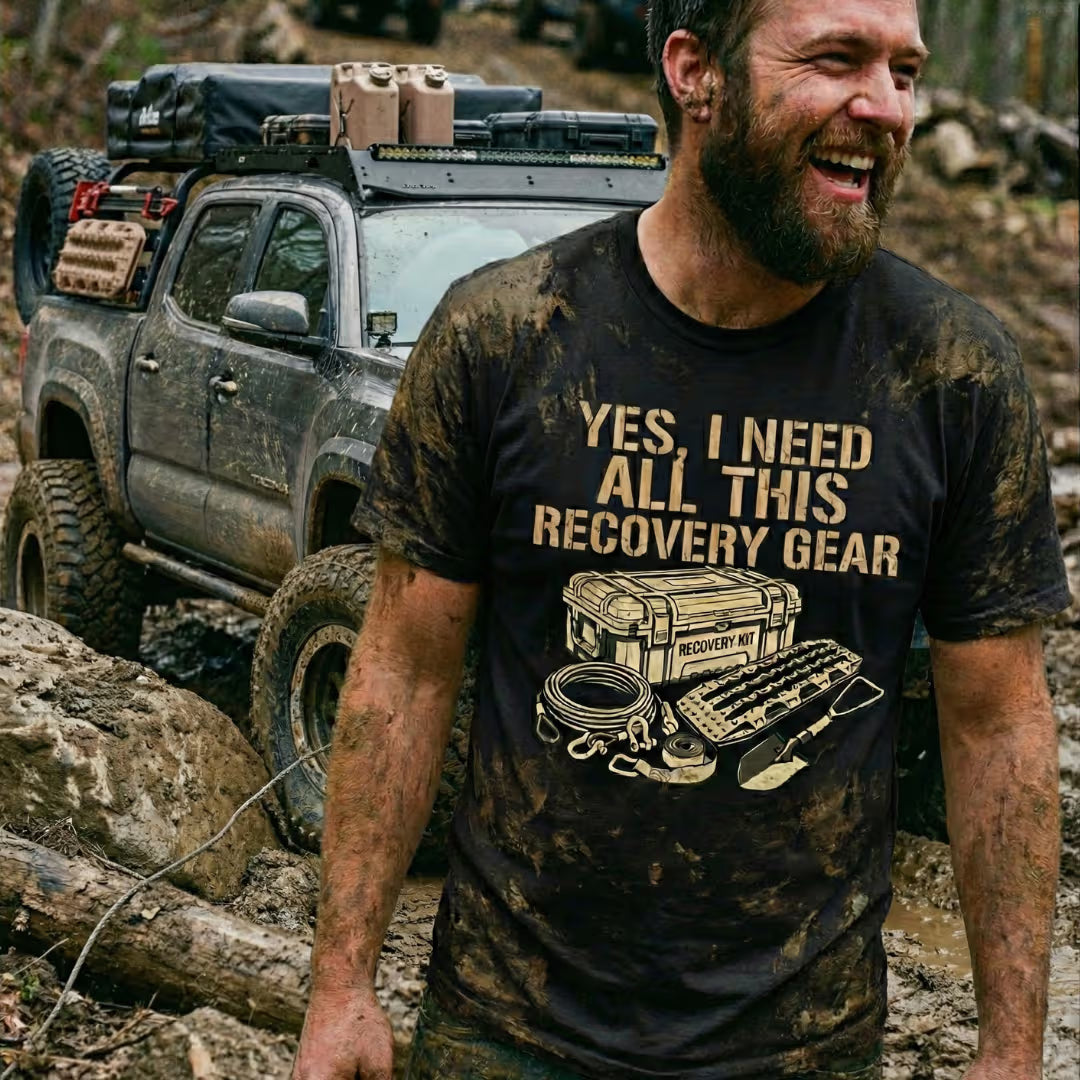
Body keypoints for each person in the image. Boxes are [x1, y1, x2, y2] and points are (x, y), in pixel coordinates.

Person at [292, 0, 1070, 1076]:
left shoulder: (953, 374)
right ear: (694, 72)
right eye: (838, 59)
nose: (886, 108)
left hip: (803, 1049)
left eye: (905, 69)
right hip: (508, 1034)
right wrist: (341, 988)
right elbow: (403, 672)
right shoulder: (507, 335)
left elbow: (1000, 728)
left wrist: (1011, 1052)